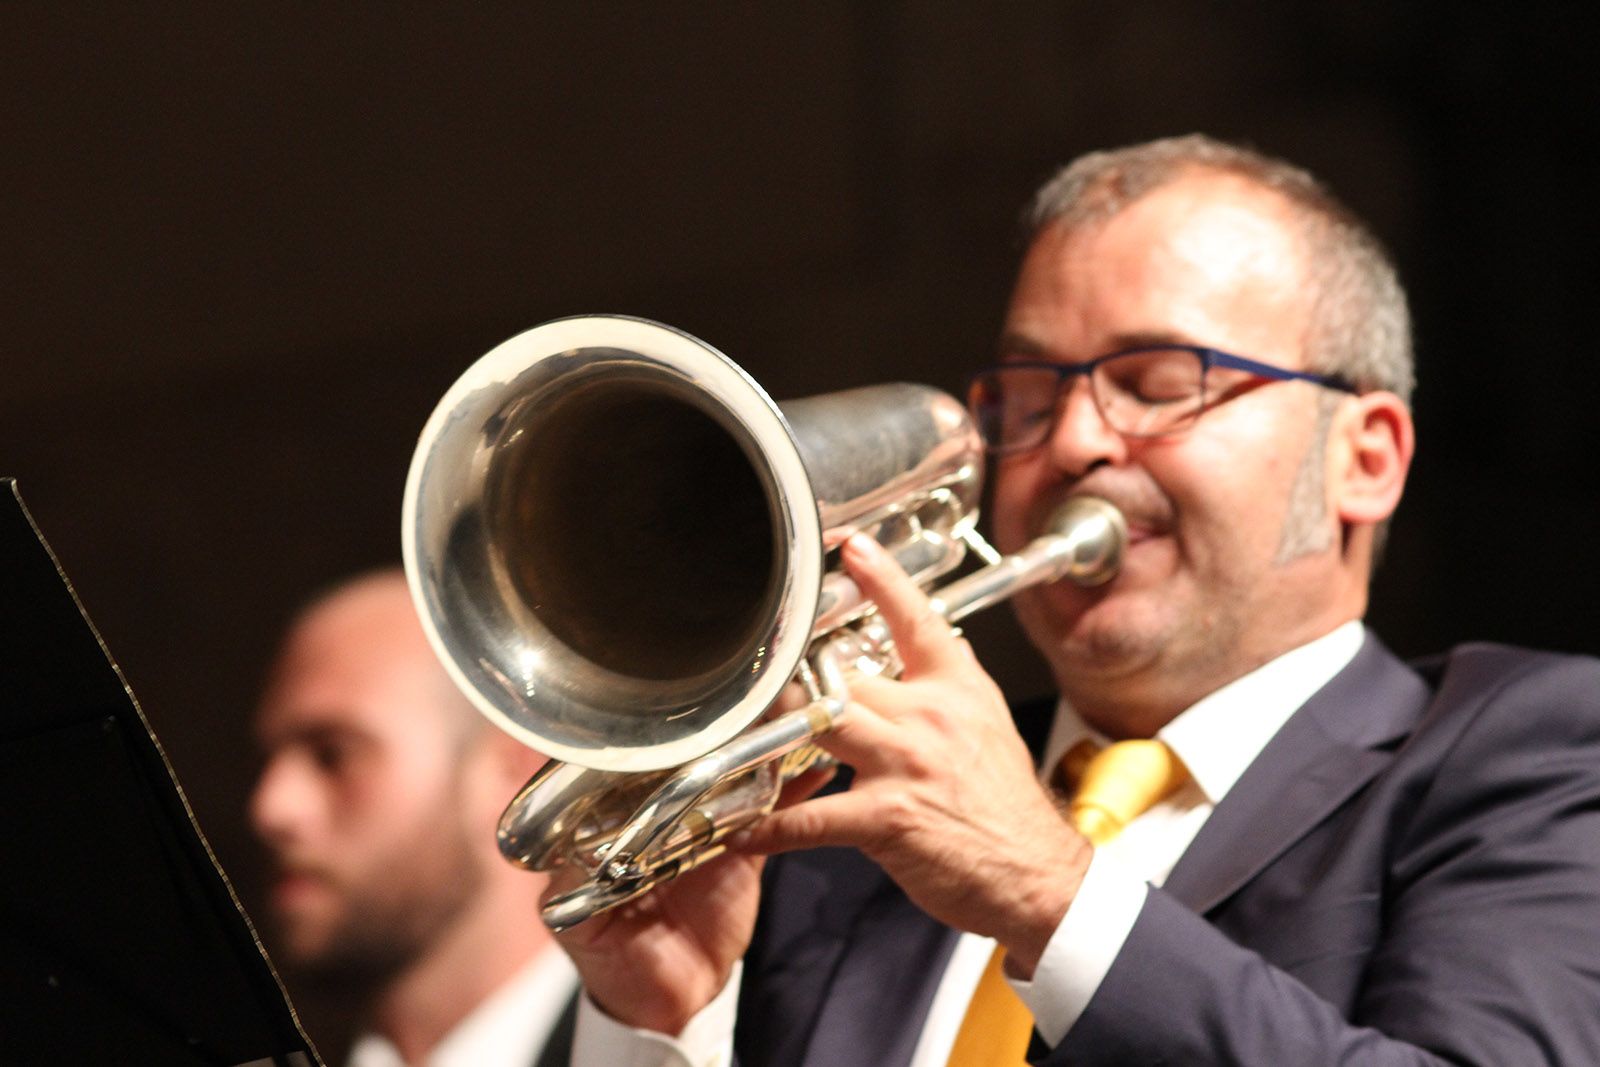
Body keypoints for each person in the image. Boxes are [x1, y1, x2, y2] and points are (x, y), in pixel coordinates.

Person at [554, 134, 1600, 1065]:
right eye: (1030, 393)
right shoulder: (853, 813)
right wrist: (656, 1026)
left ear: (1363, 459)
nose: (1073, 440)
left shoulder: (1531, 751)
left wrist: (1051, 892)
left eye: (1158, 383)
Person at [250, 570, 577, 1067]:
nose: (271, 808)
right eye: (267, 759)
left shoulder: (672, 1046)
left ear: (511, 771)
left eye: (333, 754)